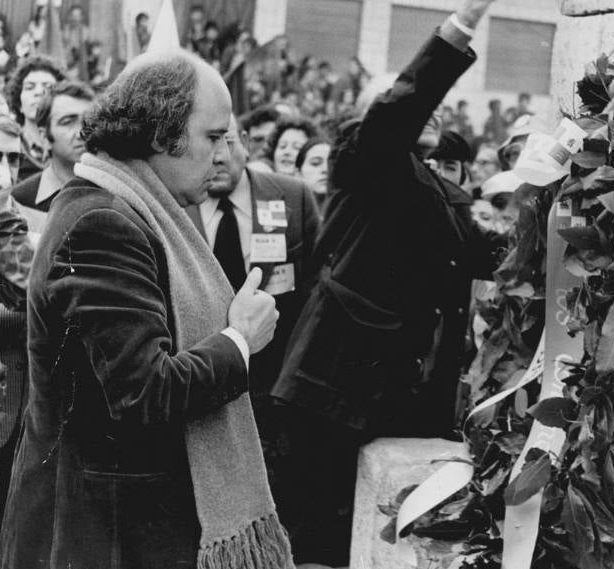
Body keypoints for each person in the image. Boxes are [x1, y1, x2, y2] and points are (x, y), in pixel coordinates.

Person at [0, 50, 293, 569]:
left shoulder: (130, 207)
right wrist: (240, 340)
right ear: (160, 136)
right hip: (100, 538)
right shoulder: (103, 223)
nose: (224, 155)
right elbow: (143, 394)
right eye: (212, 136)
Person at [270, 0, 504, 564]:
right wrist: (461, 26)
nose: (432, 110)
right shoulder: (365, 155)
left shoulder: (440, 191)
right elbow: (401, 106)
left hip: (400, 393)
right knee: (313, 534)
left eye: (438, 107)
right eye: (414, 98)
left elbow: (490, 254)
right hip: (333, 385)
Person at [188, 113, 321, 536]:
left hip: (280, 390)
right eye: (208, 144)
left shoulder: (291, 197)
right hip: (204, 388)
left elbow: (318, 293)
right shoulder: (178, 204)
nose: (220, 157)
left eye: (228, 141)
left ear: (244, 140)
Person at [0, 112, 32, 553]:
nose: (3, 170)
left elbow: (30, 300)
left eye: (12, 159)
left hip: (18, 413)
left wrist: (3, 217)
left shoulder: (19, 221)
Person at [11, 80, 94, 227]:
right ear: (44, 137)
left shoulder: (115, 190)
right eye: (68, 122)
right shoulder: (21, 199)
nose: (81, 132)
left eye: (89, 121)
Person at [4, 56, 66, 181]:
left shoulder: (74, 148)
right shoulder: (5, 149)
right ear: (19, 103)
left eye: (48, 87)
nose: (39, 92)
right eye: (29, 87)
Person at [293, 137, 330, 209]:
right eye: (315, 163)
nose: (325, 169)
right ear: (298, 174)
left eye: (331, 164)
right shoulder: (283, 214)